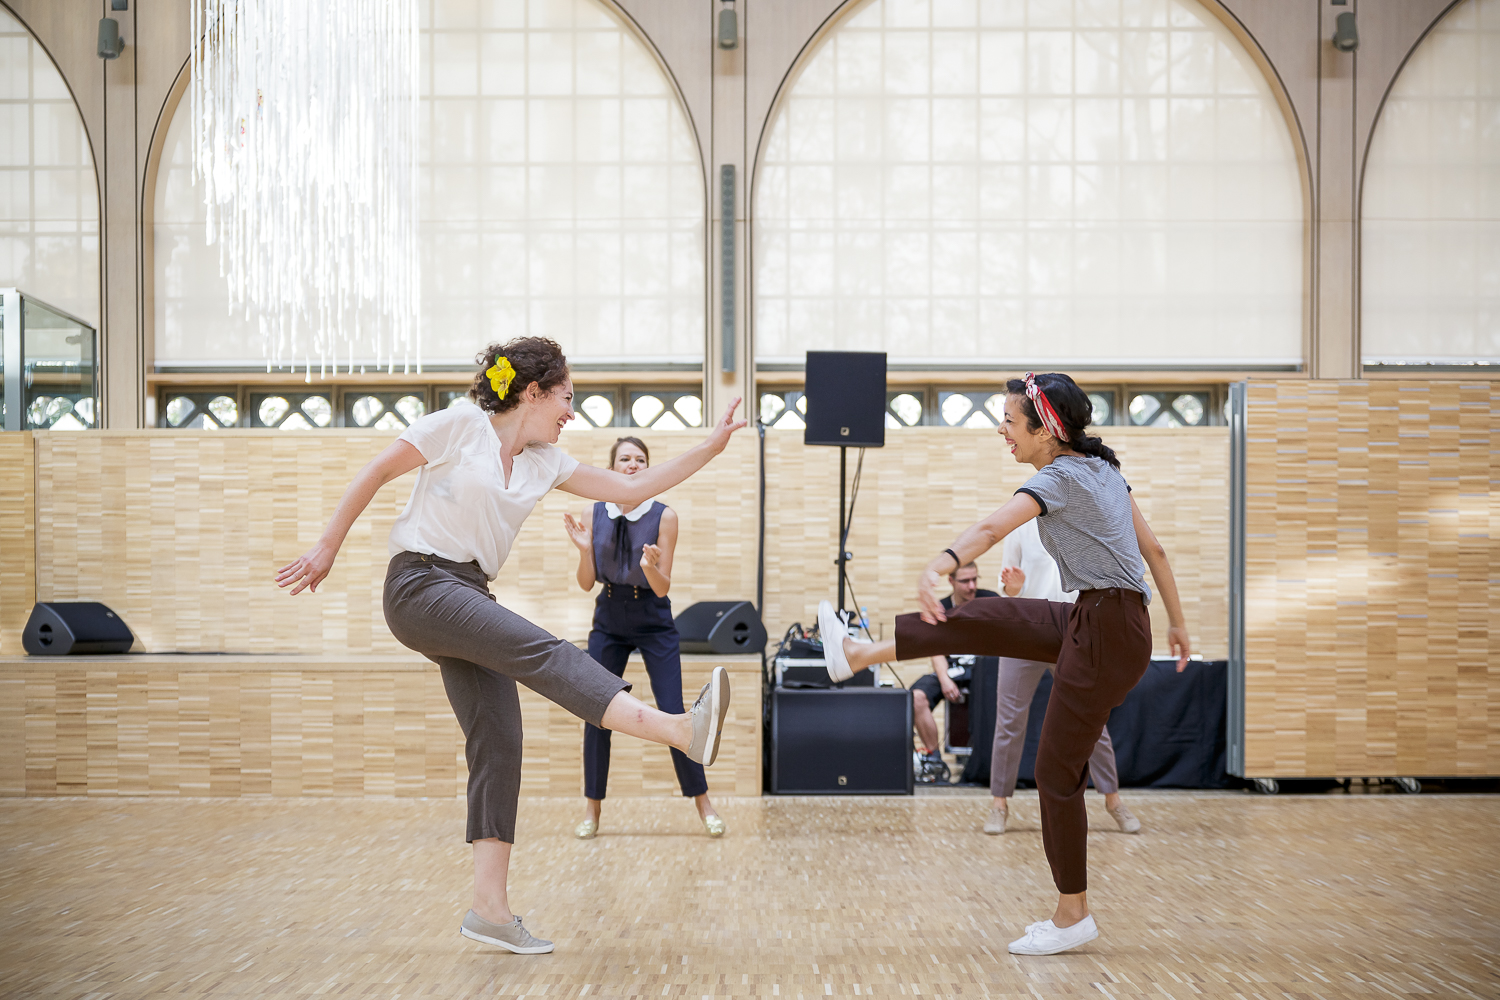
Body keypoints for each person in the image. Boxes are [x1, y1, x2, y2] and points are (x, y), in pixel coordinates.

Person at [275, 337, 745, 956]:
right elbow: (377, 471)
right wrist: (327, 547)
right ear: (534, 392)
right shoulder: (459, 425)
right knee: (544, 651)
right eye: (566, 398)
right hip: (418, 583)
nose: (570, 413)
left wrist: (710, 446)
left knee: (500, 737)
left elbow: (633, 490)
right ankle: (680, 730)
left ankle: (488, 912)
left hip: (470, 591)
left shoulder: (545, 461)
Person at [816, 371, 1190, 958]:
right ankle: (857, 653)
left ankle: (1073, 915)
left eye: (1011, 422)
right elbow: (1156, 551)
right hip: (1107, 621)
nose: (1002, 431)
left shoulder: (1061, 476)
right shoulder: (1105, 472)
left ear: (1047, 428)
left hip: (1106, 632)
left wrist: (941, 562)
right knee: (990, 616)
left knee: (1054, 777)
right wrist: (1176, 622)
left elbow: (994, 526)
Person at [563, 435, 726, 840]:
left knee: (673, 710)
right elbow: (586, 584)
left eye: (640, 459)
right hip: (608, 618)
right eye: (624, 459)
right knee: (595, 710)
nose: (632, 465)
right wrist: (585, 551)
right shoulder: (593, 511)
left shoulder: (664, 516)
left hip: (653, 618)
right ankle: (592, 811)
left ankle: (703, 803)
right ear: (613, 467)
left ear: (648, 468)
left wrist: (651, 566)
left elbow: (661, 587)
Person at [985, 518, 1141, 836]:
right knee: (1009, 721)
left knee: (1091, 719)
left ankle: (1114, 802)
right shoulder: (1020, 526)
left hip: (1073, 631)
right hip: (1024, 630)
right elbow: (1006, 586)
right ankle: (998, 805)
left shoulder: (1082, 525)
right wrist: (1011, 587)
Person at [908, 562, 997, 780]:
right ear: (951, 581)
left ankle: (987, 760)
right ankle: (934, 762)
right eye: (965, 581)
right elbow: (934, 649)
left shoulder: (991, 600)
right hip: (952, 670)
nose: (972, 586)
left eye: (975, 579)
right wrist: (944, 679)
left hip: (983, 671)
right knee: (915, 698)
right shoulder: (940, 607)